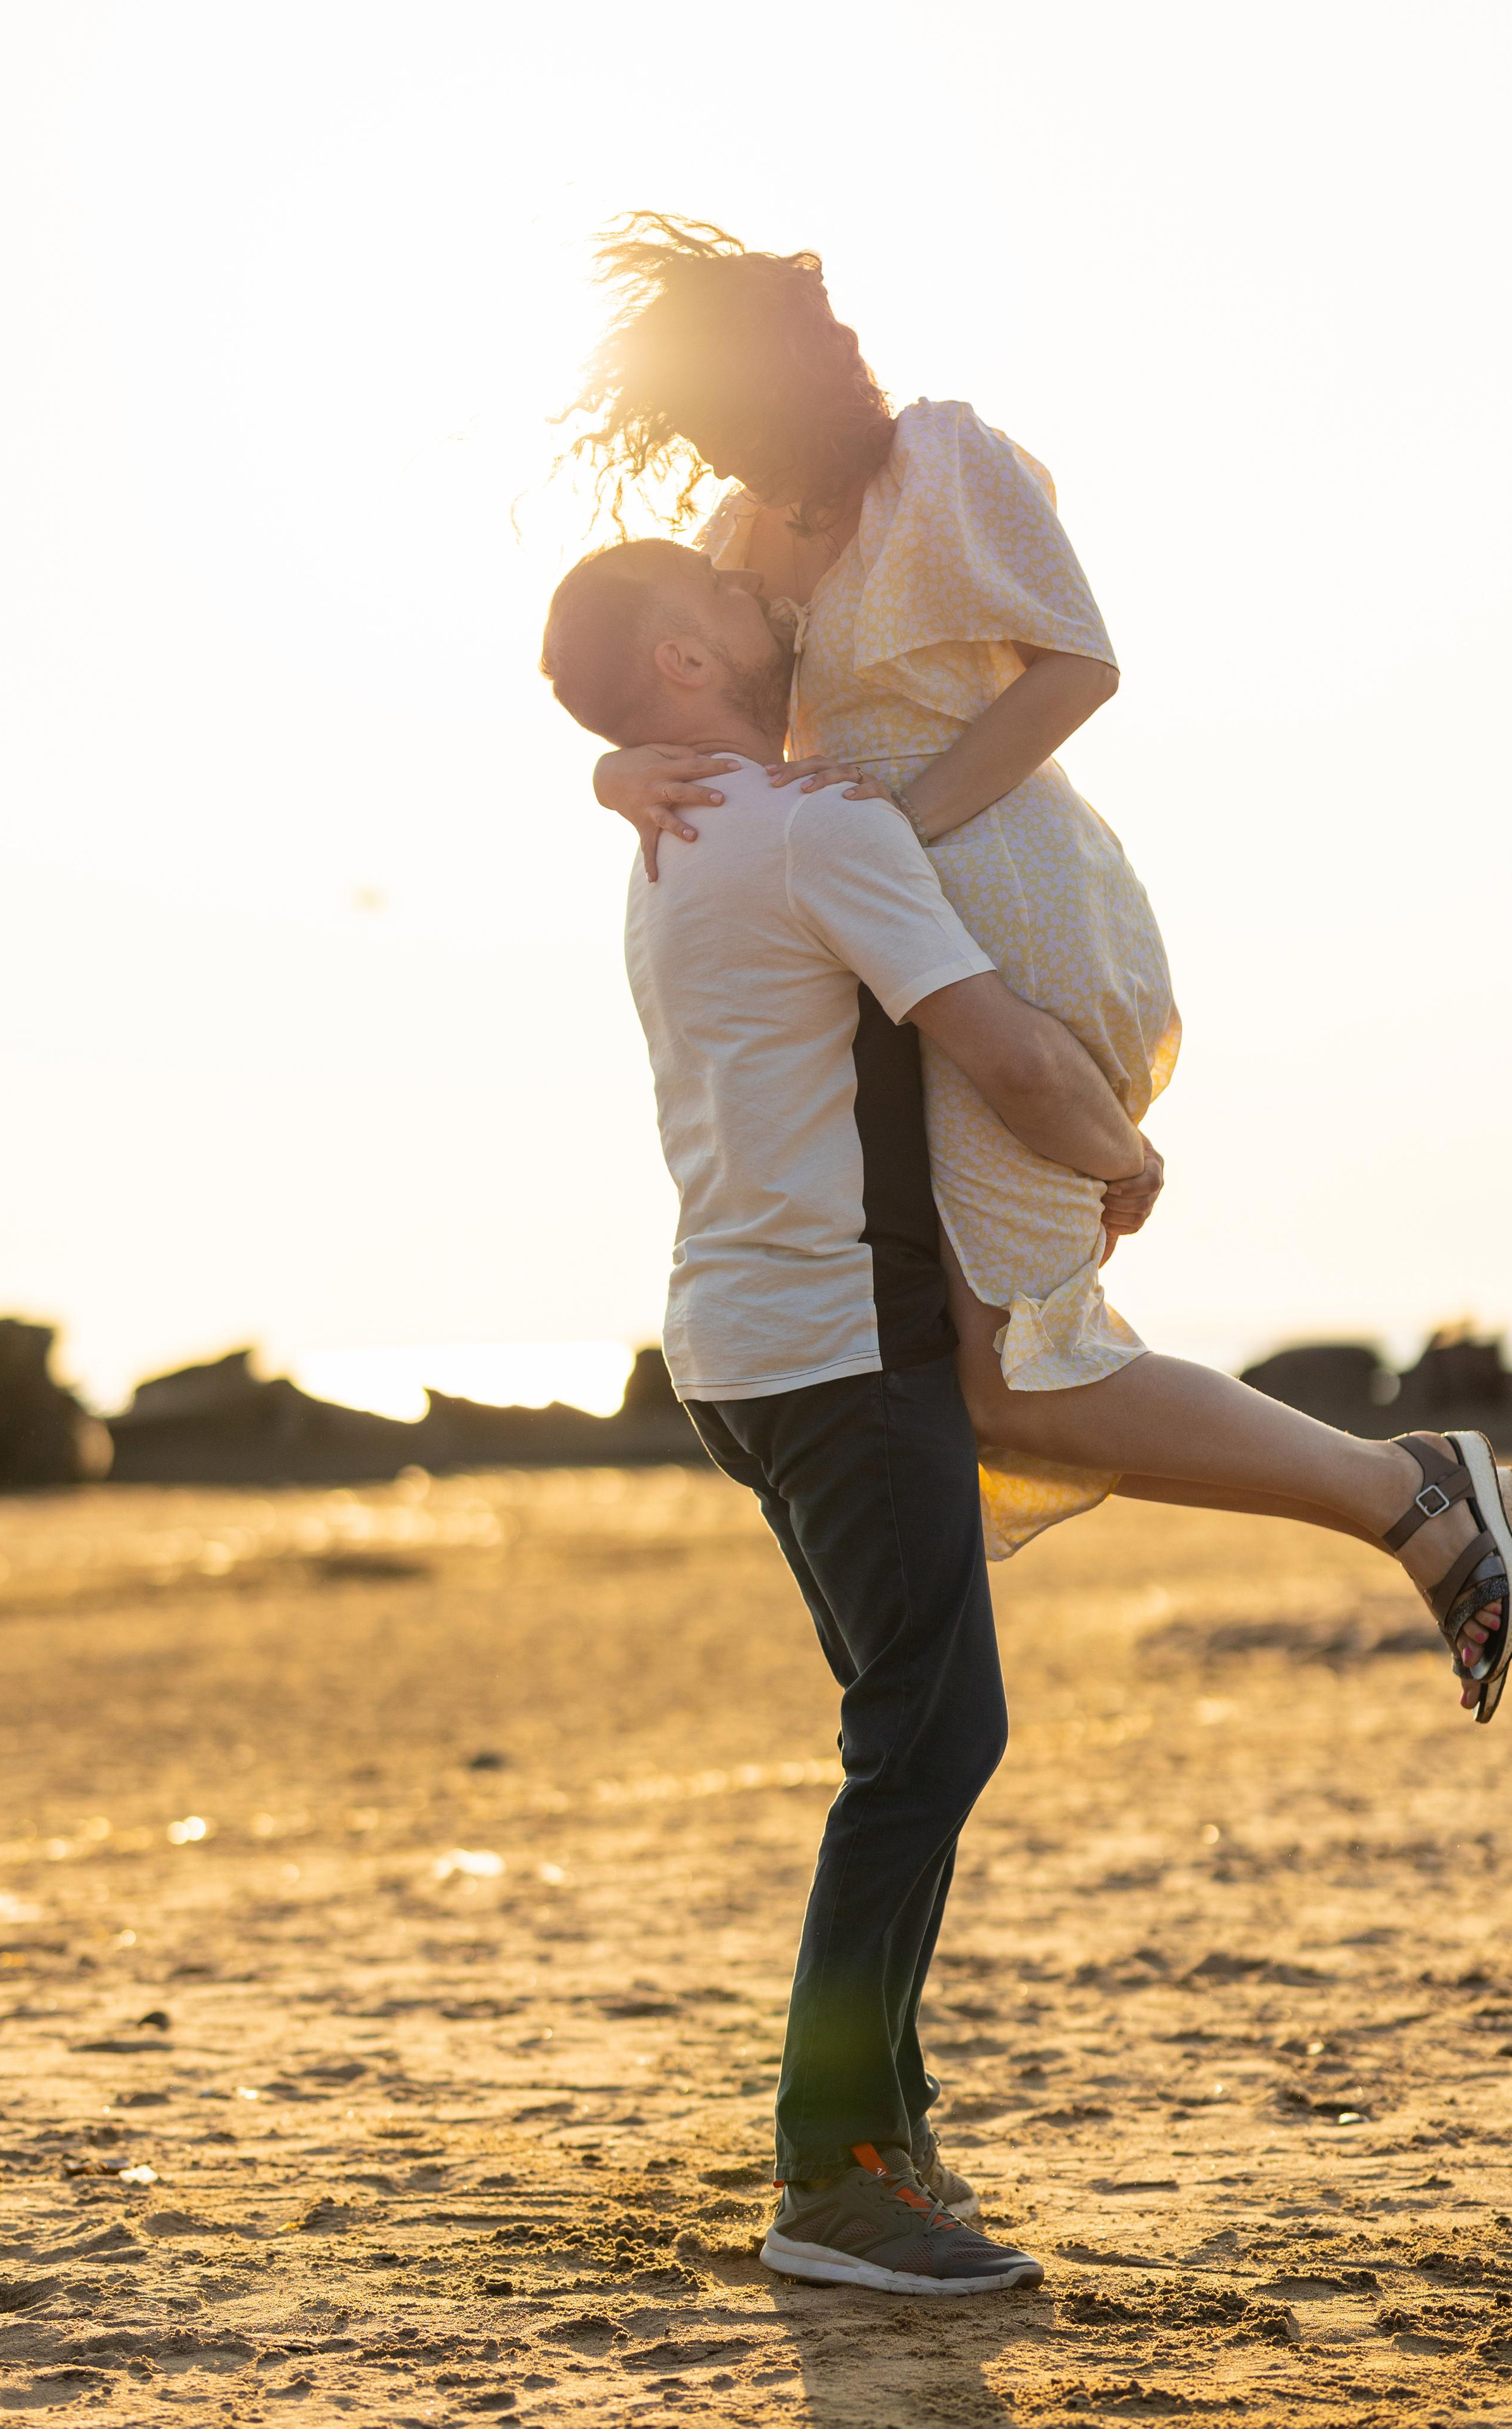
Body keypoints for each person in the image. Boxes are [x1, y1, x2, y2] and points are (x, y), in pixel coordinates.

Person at [565, 215, 1510, 1722]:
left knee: (1016, 1378)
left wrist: (905, 823)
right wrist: (614, 783)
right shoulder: (746, 537)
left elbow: (1079, 661)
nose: (721, 449)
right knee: (1001, 1383)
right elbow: (683, 707)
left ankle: (1410, 1495)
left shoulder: (944, 458)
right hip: (885, 938)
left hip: (1015, 899)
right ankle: (1408, 1495)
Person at [541, 535, 1147, 2294]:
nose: (772, 598)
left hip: (741, 1350)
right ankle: (835, 2180)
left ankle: (885, 2128)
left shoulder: (680, 829)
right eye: (732, 602)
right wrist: (1125, 1152)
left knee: (914, 1733)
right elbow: (1009, 1052)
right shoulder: (816, 830)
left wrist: (601, 766)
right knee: (926, 1749)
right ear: (680, 660)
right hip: (834, 1347)